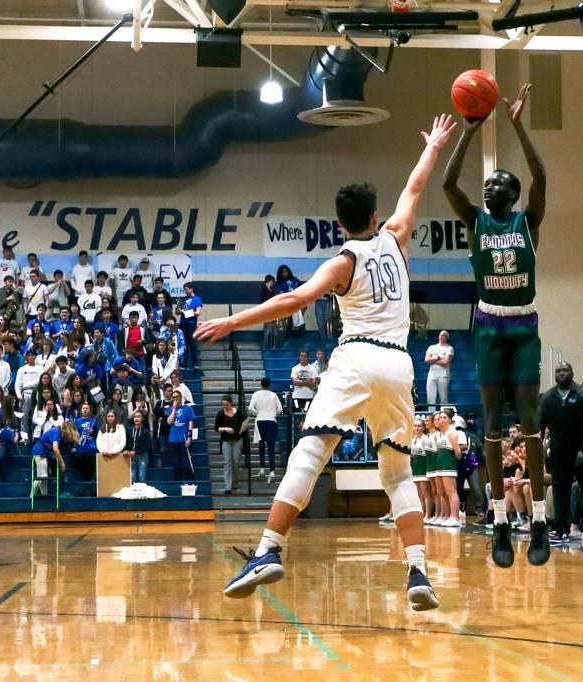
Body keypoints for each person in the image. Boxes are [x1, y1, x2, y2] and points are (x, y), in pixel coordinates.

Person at [195, 114, 455, 609]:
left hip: (357, 355)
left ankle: (270, 550)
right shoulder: (397, 236)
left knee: (310, 455)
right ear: (375, 216)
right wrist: (434, 145)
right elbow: (415, 186)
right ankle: (418, 570)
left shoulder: (341, 262)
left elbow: (291, 302)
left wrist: (231, 322)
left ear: (340, 223)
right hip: (401, 363)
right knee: (398, 474)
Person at [442, 83, 550, 568]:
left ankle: (541, 519)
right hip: (487, 323)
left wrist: (518, 125)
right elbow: (449, 185)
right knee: (489, 424)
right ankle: (501, 520)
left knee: (527, 421)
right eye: (486, 185)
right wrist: (469, 131)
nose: (488, 187)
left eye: (497, 183)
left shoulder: (528, 221)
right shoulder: (476, 222)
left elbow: (541, 174)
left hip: (522, 324)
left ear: (513, 193)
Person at [540, 362, 583, 545]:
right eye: (558, 371)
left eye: (565, 370)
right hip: (559, 453)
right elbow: (539, 423)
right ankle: (561, 530)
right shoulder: (548, 396)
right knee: (560, 490)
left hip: (582, 452)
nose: (561, 374)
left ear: (572, 373)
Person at [248, 377, 283, 481]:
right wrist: (272, 414)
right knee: (271, 448)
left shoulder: (256, 394)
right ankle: (272, 471)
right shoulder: (273, 395)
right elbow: (280, 409)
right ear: (269, 385)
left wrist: (258, 414)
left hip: (260, 421)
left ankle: (262, 468)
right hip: (271, 422)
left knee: (261, 445)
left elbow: (250, 408)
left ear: (261, 384)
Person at [215, 394, 246, 495]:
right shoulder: (220, 414)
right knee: (227, 463)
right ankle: (228, 487)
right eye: (223, 404)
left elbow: (244, 423)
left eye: (226, 404)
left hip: (237, 440)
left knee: (236, 462)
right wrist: (225, 429)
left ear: (231, 403)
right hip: (226, 441)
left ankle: (235, 482)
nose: (224, 406)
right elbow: (216, 428)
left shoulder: (238, 413)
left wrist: (242, 430)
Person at [166, 391, 196, 481]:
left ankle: (188, 481)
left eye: (177, 396)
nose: (175, 398)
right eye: (173, 397)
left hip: (184, 439)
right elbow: (169, 422)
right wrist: (174, 409)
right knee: (176, 463)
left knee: (186, 462)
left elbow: (191, 423)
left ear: (181, 397)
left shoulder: (188, 408)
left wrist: (189, 437)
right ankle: (177, 482)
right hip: (173, 440)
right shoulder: (171, 409)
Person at [424, 330, 454, 407]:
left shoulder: (449, 348)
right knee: (430, 398)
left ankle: (444, 416)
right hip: (432, 375)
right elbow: (427, 359)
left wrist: (433, 360)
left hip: (443, 376)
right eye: (440, 335)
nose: (441, 336)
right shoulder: (432, 347)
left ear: (446, 337)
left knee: (443, 398)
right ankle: (431, 416)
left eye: (443, 335)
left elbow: (446, 362)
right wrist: (438, 357)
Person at [179, 282, 203, 370]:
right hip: (182, 324)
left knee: (193, 344)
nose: (185, 291)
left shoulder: (197, 299)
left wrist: (185, 312)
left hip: (191, 325)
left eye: (186, 289)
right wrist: (184, 312)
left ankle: (195, 364)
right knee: (183, 344)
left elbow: (198, 312)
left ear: (191, 289)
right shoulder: (182, 299)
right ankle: (184, 364)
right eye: (184, 290)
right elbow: (177, 311)